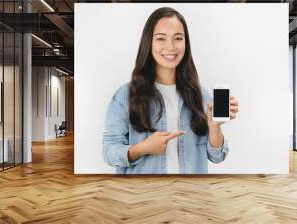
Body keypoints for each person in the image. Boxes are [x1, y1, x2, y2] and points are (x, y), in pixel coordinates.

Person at [102, 7, 239, 174]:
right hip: (143, 197)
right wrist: (142, 148)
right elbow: (108, 152)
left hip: (190, 196)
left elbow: (217, 156)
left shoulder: (200, 95)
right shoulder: (125, 96)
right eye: (161, 38)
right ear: (149, 42)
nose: (171, 46)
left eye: (178, 38)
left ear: (186, 43)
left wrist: (214, 127)